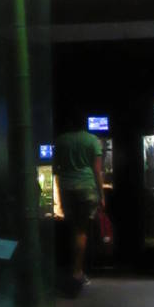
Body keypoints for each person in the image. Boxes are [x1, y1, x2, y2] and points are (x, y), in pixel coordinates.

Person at [53, 119, 104, 294]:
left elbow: (56, 169)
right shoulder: (92, 140)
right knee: (81, 231)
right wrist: (101, 195)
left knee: (71, 228)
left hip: (67, 188)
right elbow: (97, 170)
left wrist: (59, 194)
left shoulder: (61, 141)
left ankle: (68, 269)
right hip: (87, 189)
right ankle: (77, 272)